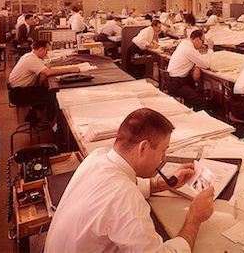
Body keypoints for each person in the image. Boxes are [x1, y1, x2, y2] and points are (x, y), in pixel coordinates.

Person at [45, 108, 214, 252]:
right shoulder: (125, 198)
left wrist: (160, 183)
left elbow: (112, 196)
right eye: (163, 150)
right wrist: (194, 217)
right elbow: (120, 197)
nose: (163, 159)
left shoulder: (98, 157)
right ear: (143, 148)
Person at [8, 40, 80, 120]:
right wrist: (70, 69)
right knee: (54, 94)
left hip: (17, 91)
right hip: (20, 94)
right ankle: (53, 122)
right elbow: (48, 72)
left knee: (45, 89)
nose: (47, 54)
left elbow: (43, 75)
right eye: (46, 51)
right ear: (41, 49)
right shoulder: (32, 60)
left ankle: (33, 114)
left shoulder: (28, 56)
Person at [167, 30, 214, 110]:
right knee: (200, 100)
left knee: (199, 91)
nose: (202, 44)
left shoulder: (184, 43)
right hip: (177, 83)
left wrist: (197, 67)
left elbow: (196, 59)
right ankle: (200, 117)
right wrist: (210, 49)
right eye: (202, 41)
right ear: (196, 39)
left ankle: (190, 109)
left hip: (177, 79)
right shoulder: (189, 49)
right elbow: (206, 64)